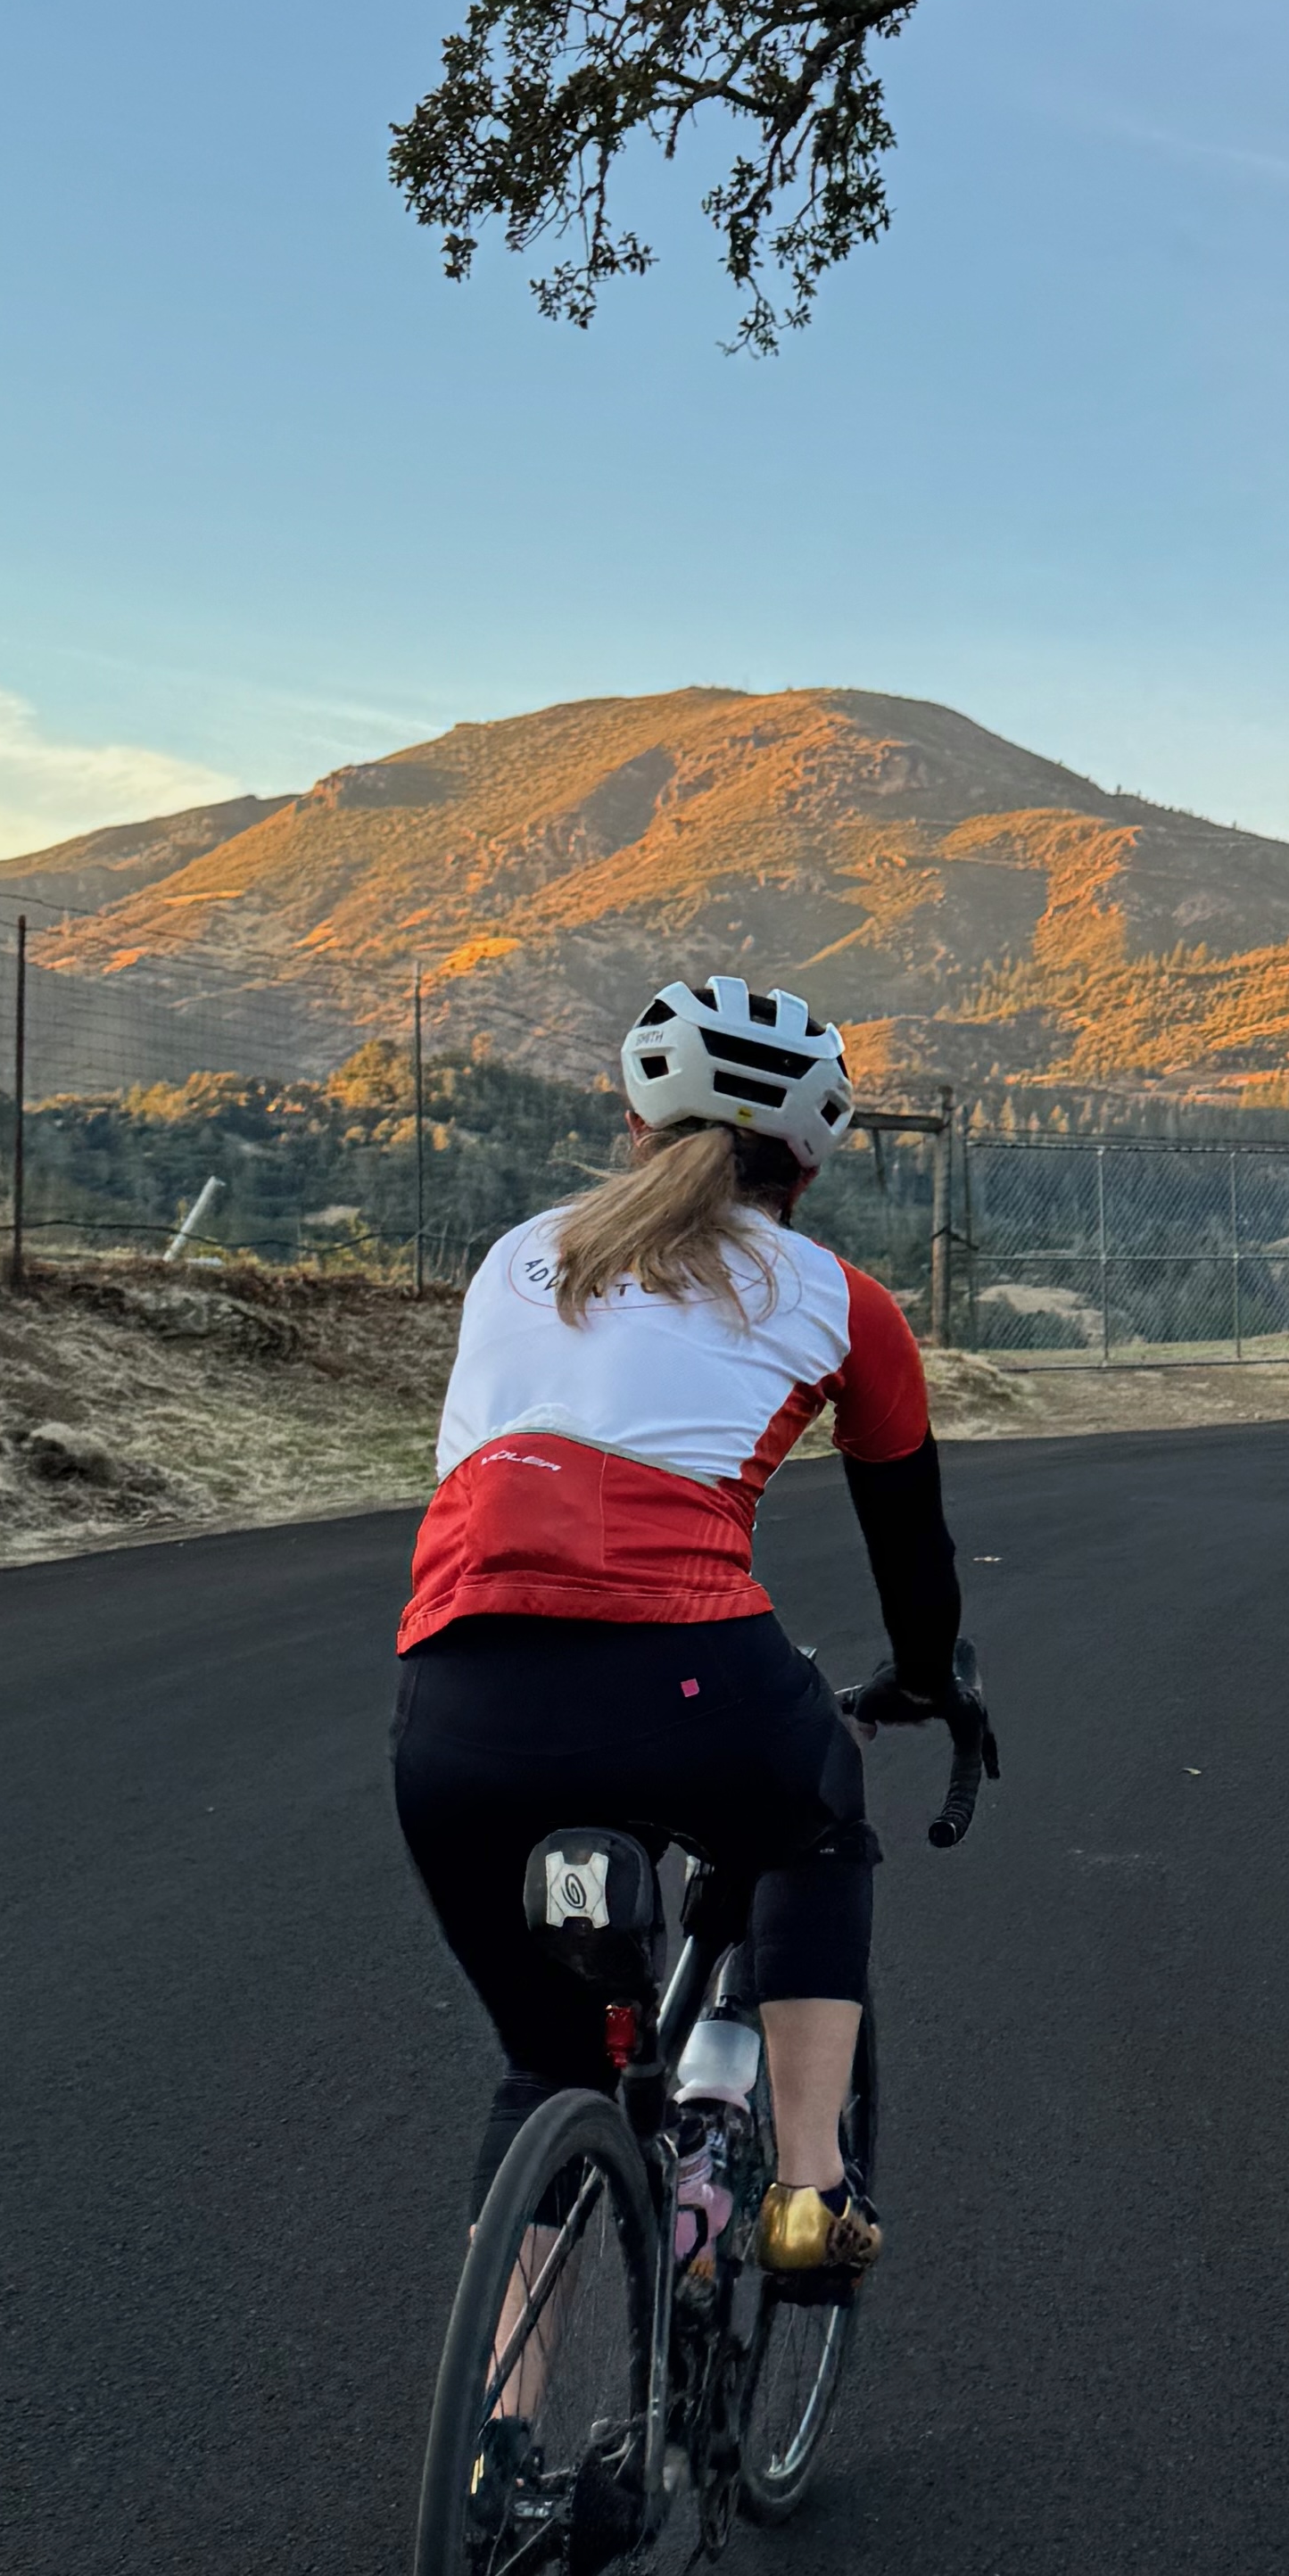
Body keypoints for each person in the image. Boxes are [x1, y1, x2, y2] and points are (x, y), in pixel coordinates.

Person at [391, 973, 971, 2283]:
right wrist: (929, 1681)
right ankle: (811, 2191)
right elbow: (912, 1555)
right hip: (686, 1673)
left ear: (637, 1126)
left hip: (454, 1699)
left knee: (544, 2068)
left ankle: (498, 2447)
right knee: (817, 1812)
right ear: (808, 1163)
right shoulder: (840, 1301)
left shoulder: (519, 1254)